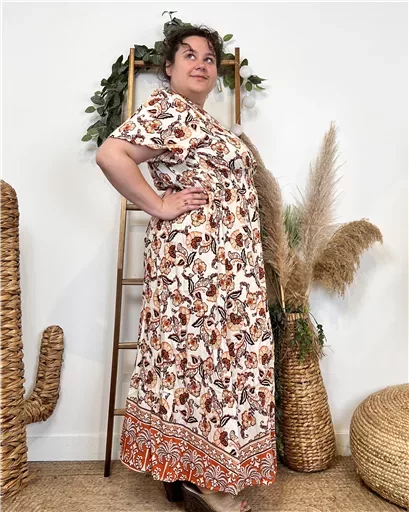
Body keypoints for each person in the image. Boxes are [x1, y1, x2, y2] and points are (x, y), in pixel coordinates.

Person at [96, 24, 277, 512]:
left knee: (214, 363)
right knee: (205, 362)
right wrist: (158, 204)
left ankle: (193, 472)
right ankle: (207, 482)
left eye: (209, 58)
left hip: (228, 267)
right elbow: (111, 155)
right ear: (169, 67)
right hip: (198, 267)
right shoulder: (169, 111)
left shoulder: (201, 121)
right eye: (189, 55)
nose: (201, 64)